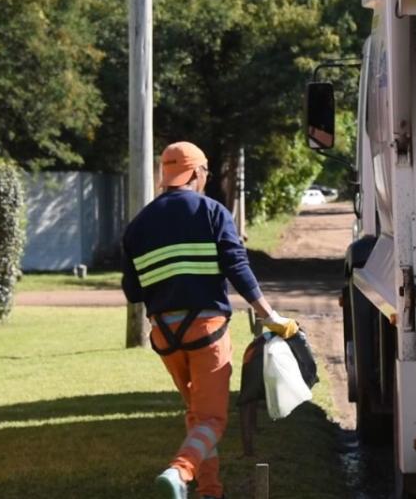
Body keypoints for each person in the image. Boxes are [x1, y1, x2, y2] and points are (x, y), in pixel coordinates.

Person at [122, 141, 300, 499]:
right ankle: (179, 472)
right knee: (213, 419)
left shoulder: (137, 226)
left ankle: (210, 490)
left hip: (166, 338)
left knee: (197, 415)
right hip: (207, 334)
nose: (205, 177)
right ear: (195, 173)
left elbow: (134, 292)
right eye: (203, 172)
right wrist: (270, 316)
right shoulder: (212, 212)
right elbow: (237, 268)